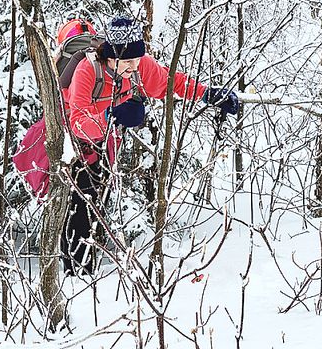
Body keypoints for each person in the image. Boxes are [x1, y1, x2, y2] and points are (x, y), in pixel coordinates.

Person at [60, 15, 239, 276]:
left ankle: (87, 268)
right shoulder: (87, 71)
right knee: (81, 203)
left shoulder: (139, 64)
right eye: (128, 60)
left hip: (108, 140)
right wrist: (112, 115)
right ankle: (75, 276)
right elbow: (77, 122)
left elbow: (169, 82)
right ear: (110, 57)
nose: (135, 66)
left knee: (97, 203)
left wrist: (206, 94)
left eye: (137, 59)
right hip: (76, 143)